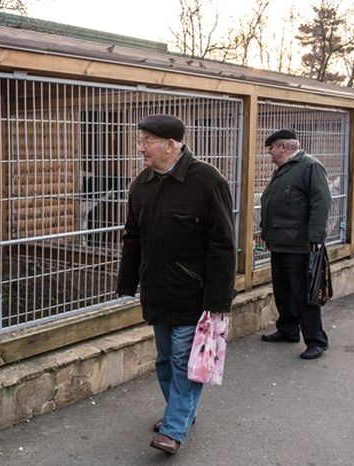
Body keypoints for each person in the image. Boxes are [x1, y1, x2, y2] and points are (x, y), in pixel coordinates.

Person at [116, 114, 236, 455]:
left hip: (192, 294)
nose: (141, 148)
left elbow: (222, 244)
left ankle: (174, 428)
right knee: (164, 360)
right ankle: (181, 411)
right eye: (140, 141)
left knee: (184, 362)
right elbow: (133, 238)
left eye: (147, 142)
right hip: (156, 292)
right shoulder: (142, 184)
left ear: (171, 145)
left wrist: (219, 299)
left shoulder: (207, 181)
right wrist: (127, 282)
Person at [259, 129, 332, 360]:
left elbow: (322, 201)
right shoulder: (285, 169)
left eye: (271, 148)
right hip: (280, 243)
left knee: (303, 295)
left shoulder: (309, 166)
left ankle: (316, 340)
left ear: (283, 147)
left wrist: (315, 238)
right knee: (283, 291)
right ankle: (288, 329)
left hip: (300, 245)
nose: (269, 153)